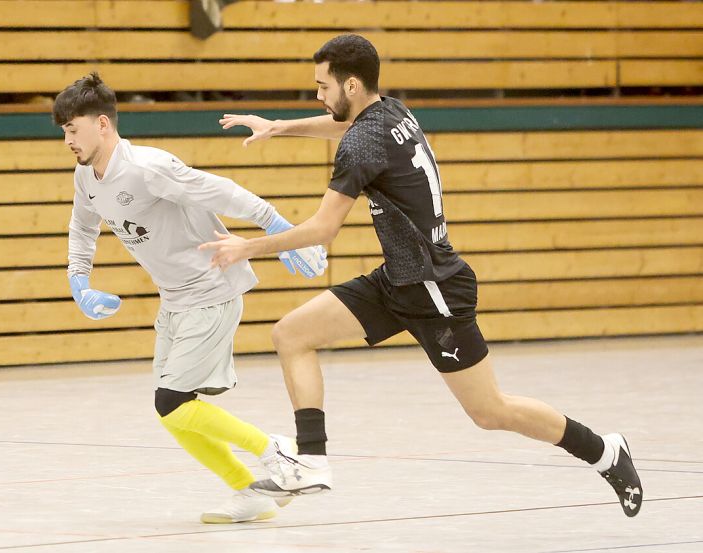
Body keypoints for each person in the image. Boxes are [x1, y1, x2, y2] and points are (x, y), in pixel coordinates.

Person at [199, 34, 643, 517]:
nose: (319, 97)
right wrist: (279, 128)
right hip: (399, 279)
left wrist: (249, 246)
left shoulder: (363, 141)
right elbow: (340, 127)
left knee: (490, 410)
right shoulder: (390, 111)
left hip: (434, 288)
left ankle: (603, 450)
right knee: (291, 335)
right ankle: (312, 462)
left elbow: (324, 229)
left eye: (322, 87)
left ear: (350, 84)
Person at [56, 72, 327, 523]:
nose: (67, 140)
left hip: (212, 290)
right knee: (171, 413)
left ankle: (275, 450)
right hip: (176, 299)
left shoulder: (147, 167)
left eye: (72, 129)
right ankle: (249, 492)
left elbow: (217, 189)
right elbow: (83, 226)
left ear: (102, 124)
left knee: (173, 401)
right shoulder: (87, 177)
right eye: (63, 132)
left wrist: (276, 224)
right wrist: (79, 281)